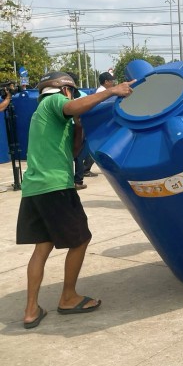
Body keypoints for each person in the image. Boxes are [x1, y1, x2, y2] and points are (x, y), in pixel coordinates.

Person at [17, 71, 135, 329]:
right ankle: (68, 297)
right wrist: (112, 91)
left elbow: (72, 152)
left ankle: (30, 309)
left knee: (43, 245)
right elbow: (71, 106)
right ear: (66, 89)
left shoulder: (45, 115)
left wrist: (79, 126)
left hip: (34, 189)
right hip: (55, 186)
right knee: (81, 239)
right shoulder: (54, 102)